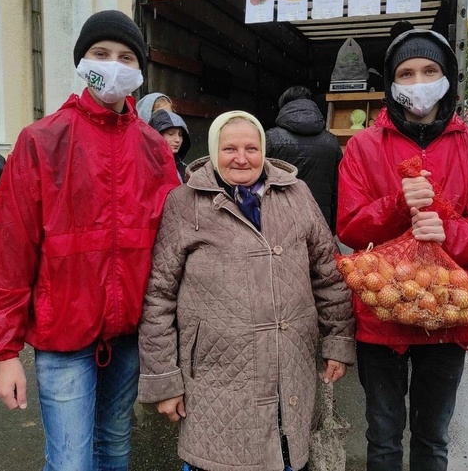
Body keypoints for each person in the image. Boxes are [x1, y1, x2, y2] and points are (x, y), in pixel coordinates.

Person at [0, 10, 180, 471]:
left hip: (128, 334)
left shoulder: (152, 147)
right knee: (70, 462)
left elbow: (173, 247)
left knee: (115, 449)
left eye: (126, 57)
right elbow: (7, 250)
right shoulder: (41, 140)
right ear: (82, 61)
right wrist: (4, 352)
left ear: (139, 72)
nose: (113, 65)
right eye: (100, 54)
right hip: (63, 336)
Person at [336, 26, 468, 471]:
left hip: (447, 313)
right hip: (382, 312)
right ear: (392, 85)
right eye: (407, 73)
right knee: (382, 437)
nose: (418, 82)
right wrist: (397, 205)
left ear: (448, 77)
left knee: (432, 439)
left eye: (429, 70)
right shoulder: (361, 147)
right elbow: (351, 227)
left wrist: (448, 234)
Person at [137, 111, 356, 471]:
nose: (242, 158)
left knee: (283, 453)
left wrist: (338, 341)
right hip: (214, 374)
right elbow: (159, 296)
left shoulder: (296, 194)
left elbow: (328, 274)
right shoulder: (184, 203)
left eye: (251, 148)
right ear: (213, 150)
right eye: (230, 148)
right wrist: (164, 380)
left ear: (264, 151)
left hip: (290, 365)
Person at [265, 86, 343, 233]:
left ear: (283, 107)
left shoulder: (271, 138)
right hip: (320, 224)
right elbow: (338, 191)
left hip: (280, 225)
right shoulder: (331, 142)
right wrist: (332, 227)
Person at [149, 108, 191, 183]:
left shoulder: (186, 171)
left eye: (180, 134)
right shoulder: (143, 167)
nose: (177, 139)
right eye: (171, 134)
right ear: (157, 135)